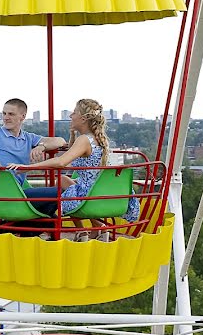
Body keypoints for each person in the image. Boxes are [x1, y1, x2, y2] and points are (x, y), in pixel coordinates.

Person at [7, 98, 140, 235]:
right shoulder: (95, 138)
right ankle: (94, 228)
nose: (71, 115)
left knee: (68, 191)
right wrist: (72, 134)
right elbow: (73, 152)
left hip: (91, 194)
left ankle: (87, 228)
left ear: (83, 118)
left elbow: (61, 162)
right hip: (101, 189)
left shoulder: (85, 140)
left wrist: (28, 167)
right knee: (64, 180)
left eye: (74, 112)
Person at [0, 98, 66, 182]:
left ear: (23, 116)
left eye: (11, 114)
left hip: (18, 190)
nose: (6, 118)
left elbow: (60, 141)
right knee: (60, 193)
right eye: (4, 113)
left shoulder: (28, 138)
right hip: (1, 189)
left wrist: (42, 146)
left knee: (60, 193)